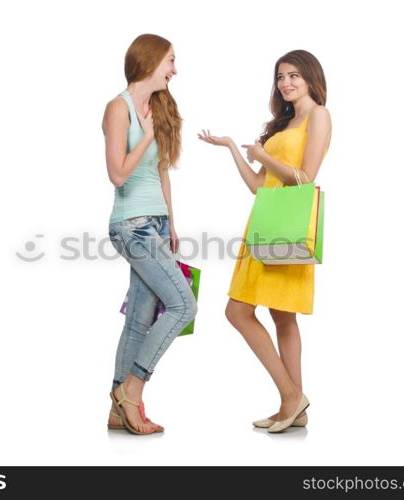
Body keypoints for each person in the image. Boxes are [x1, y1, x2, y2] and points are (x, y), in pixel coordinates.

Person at [198, 50, 331, 433]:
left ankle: (291, 397)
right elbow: (259, 186)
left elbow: (304, 177)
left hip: (287, 226)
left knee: (238, 312)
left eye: (293, 75)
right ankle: (294, 406)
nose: (286, 83)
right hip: (265, 223)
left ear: (310, 78)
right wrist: (232, 150)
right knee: (280, 316)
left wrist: (262, 155)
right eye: (280, 77)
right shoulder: (283, 123)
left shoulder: (319, 116)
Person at [103, 34, 197, 435]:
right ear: (152, 60)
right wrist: (145, 137)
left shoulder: (157, 107)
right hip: (130, 224)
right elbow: (118, 173)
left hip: (155, 225)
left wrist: (171, 224)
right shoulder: (117, 108)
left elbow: (161, 173)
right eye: (171, 61)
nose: (175, 70)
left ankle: (115, 407)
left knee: (140, 320)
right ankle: (133, 390)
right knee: (184, 306)